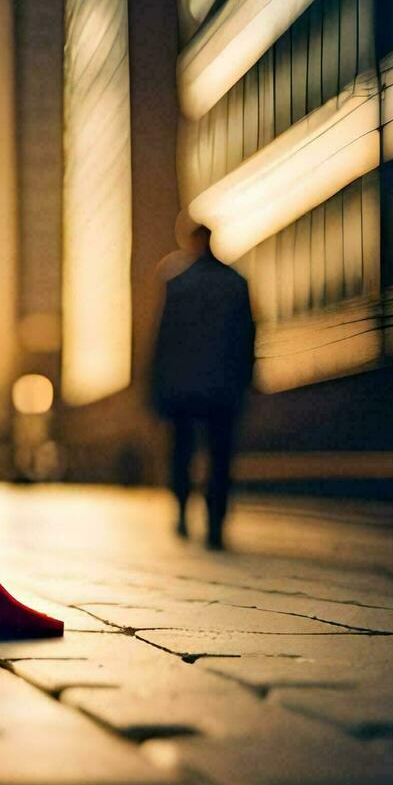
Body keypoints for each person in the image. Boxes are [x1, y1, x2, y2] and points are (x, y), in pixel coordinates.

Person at [150, 218, 256, 550]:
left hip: (184, 386)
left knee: (182, 451)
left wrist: (157, 384)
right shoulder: (235, 282)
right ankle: (216, 522)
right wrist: (246, 380)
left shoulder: (177, 282)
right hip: (223, 385)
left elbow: (163, 339)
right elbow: (248, 337)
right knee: (220, 454)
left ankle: (183, 510)